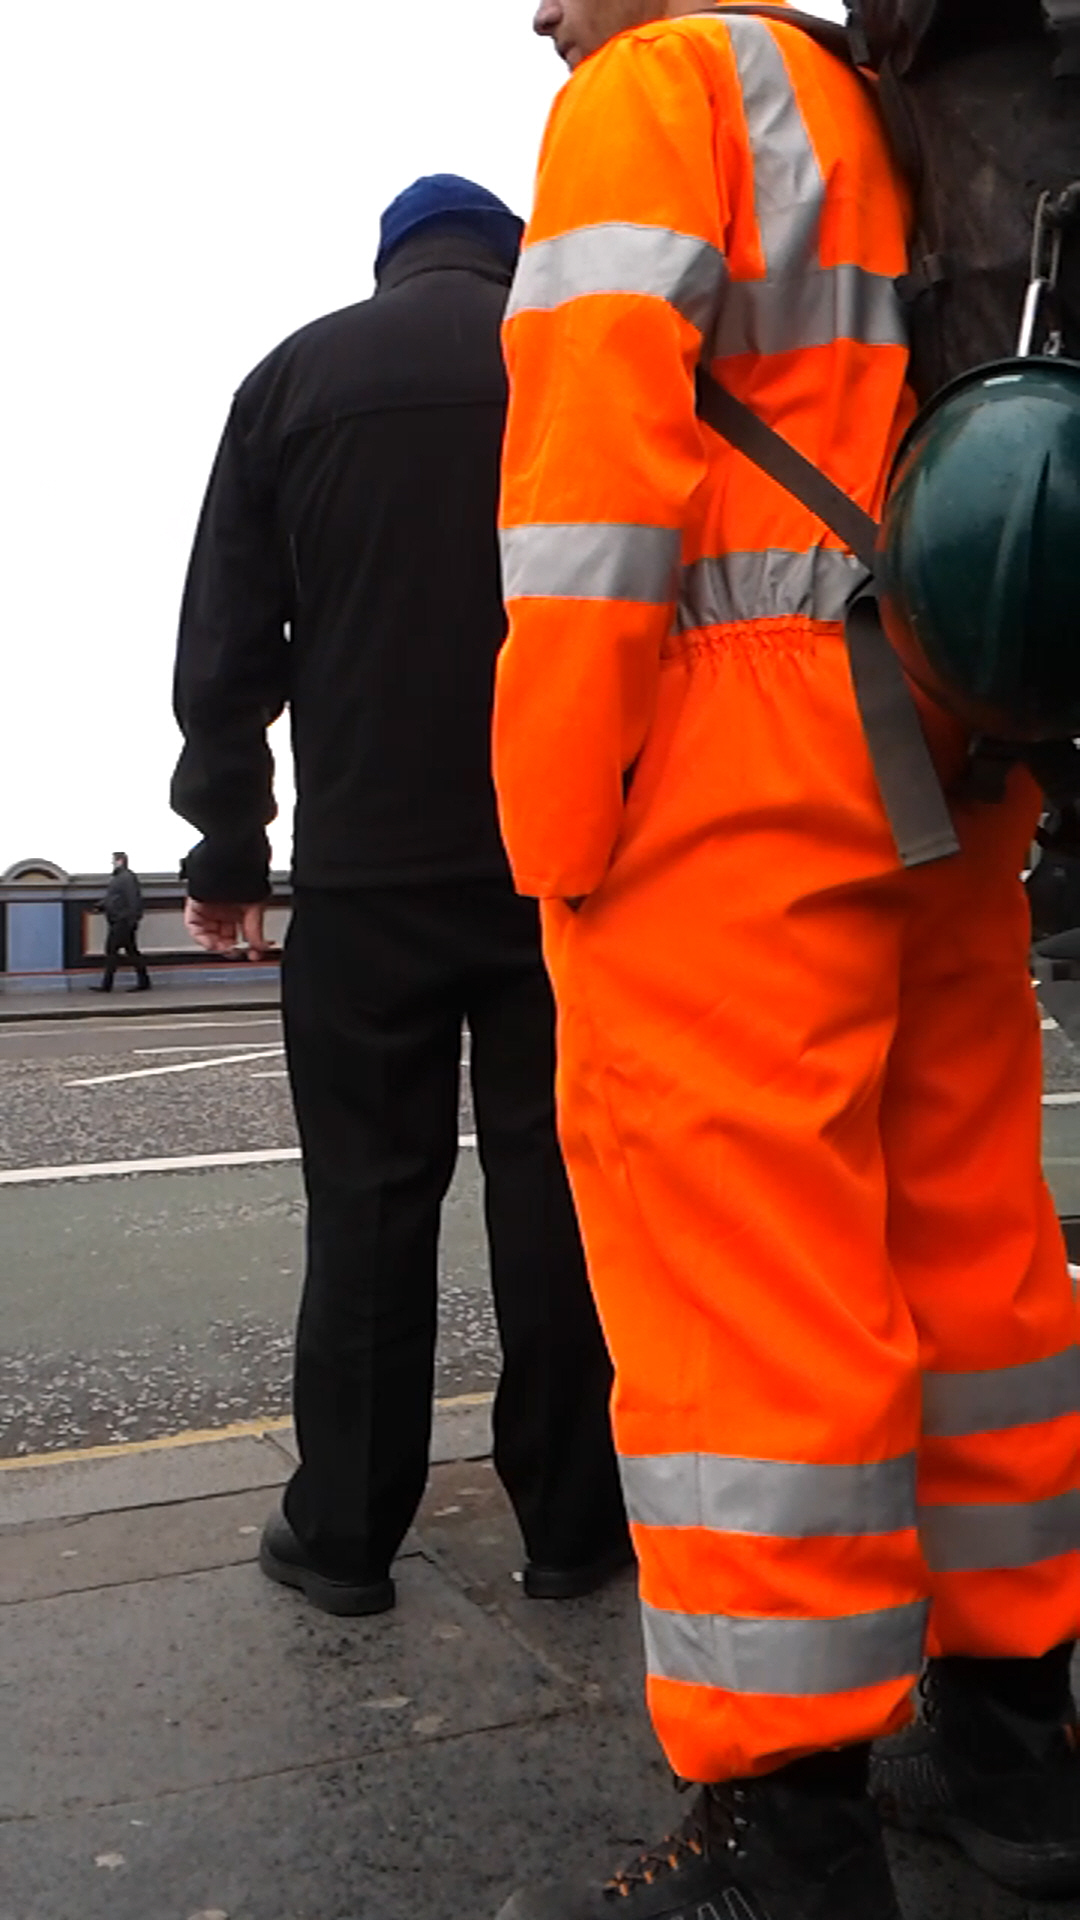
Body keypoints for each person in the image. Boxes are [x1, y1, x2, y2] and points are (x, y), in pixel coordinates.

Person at [491, 3, 1080, 1915]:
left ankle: (793, 1824)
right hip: (948, 741)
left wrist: (562, 820)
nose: (535, 14)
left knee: (745, 1296)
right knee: (975, 1250)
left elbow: (587, 509)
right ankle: (1018, 1747)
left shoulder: (661, 93)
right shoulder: (907, 109)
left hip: (738, 764)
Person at [171, 174, 629, 1621]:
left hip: (366, 873)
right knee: (559, 1194)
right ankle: (572, 1525)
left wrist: (229, 851)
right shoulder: (568, 358)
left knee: (368, 1199)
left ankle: (346, 1535)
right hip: (564, 860)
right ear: (510, 259)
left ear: (390, 265)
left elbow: (228, 647)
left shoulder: (290, 384)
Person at [93, 851, 150, 992]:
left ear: (120, 861)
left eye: (114, 860)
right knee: (130, 951)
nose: (112, 863)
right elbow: (114, 898)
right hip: (121, 919)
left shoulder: (125, 878)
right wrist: (101, 905)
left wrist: (132, 918)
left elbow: (132, 898)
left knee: (112, 950)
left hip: (122, 920)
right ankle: (143, 981)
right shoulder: (121, 878)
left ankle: (107, 985)